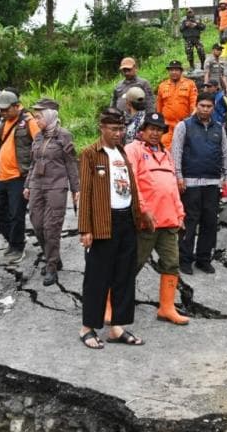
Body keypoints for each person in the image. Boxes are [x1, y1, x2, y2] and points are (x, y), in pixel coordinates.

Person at [78, 108, 149, 350]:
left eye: (121, 129)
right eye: (113, 129)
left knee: (124, 276)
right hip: (102, 222)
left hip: (125, 221)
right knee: (97, 278)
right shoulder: (90, 154)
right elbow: (84, 193)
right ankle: (87, 327)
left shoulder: (121, 153)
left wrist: (139, 217)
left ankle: (117, 326)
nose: (118, 133)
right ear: (102, 128)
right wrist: (85, 229)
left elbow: (131, 187)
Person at [124, 112, 189, 325]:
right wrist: (142, 210)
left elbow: (172, 188)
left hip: (169, 221)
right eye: (151, 128)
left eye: (159, 129)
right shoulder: (133, 150)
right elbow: (131, 182)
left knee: (171, 264)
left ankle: (166, 308)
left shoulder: (166, 154)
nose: (155, 132)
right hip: (146, 222)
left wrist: (180, 214)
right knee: (131, 265)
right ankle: (112, 303)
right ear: (142, 130)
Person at [171, 92, 227, 276]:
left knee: (209, 222)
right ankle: (185, 259)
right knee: (189, 221)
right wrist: (178, 177)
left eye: (209, 106)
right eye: (202, 106)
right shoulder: (184, 126)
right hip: (190, 183)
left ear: (213, 108)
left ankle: (204, 259)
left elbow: (225, 153)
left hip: (212, 183)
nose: (205, 109)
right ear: (196, 106)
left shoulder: (218, 127)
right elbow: (176, 152)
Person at [23, 98, 79, 287]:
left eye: (39, 117)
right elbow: (33, 163)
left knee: (51, 228)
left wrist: (76, 189)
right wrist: (28, 185)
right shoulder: (38, 137)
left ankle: (51, 267)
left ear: (49, 116)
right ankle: (52, 257)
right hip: (38, 185)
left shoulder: (64, 136)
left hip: (57, 186)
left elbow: (71, 163)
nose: (36, 121)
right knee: (37, 225)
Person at [0, 91, 40, 264]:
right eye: (0, 110)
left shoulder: (29, 122)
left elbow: (39, 145)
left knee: (16, 213)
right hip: (2, 176)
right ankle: (14, 240)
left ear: (17, 106)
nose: (2, 113)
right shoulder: (3, 123)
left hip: (20, 175)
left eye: (6, 109)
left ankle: (17, 246)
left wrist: (35, 175)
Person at [156, 60, 198, 149]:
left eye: (176, 70)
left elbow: (193, 102)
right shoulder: (162, 86)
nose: (174, 72)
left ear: (181, 71)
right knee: (164, 148)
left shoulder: (190, 84)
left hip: (183, 124)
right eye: (171, 70)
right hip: (167, 125)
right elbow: (159, 105)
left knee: (184, 149)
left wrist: (193, 117)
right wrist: (159, 122)